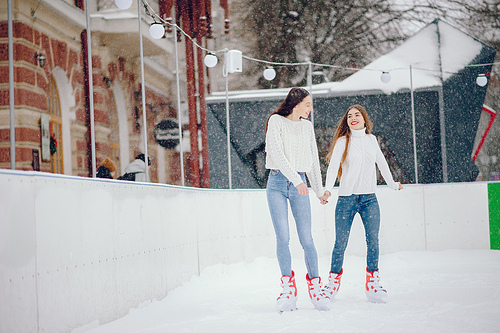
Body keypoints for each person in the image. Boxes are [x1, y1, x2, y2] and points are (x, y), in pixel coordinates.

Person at [320, 104, 403, 304]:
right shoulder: (343, 141)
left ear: (364, 119)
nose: (353, 118)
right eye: (349, 116)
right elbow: (332, 169)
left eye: (357, 115)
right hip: (346, 200)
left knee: (373, 241)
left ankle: (373, 283)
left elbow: (382, 163)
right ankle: (332, 283)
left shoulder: (371, 140)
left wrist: (392, 184)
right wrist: (328, 189)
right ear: (347, 121)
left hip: (369, 199)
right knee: (340, 244)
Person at [265, 87, 330, 312]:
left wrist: (319, 190)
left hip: (299, 184)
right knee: (283, 237)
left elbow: (312, 160)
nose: (311, 109)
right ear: (296, 103)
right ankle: (287, 288)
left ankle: (315, 287)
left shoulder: (307, 127)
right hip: (276, 183)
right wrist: (296, 180)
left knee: (306, 239)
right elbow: (278, 154)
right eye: (308, 104)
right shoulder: (276, 121)